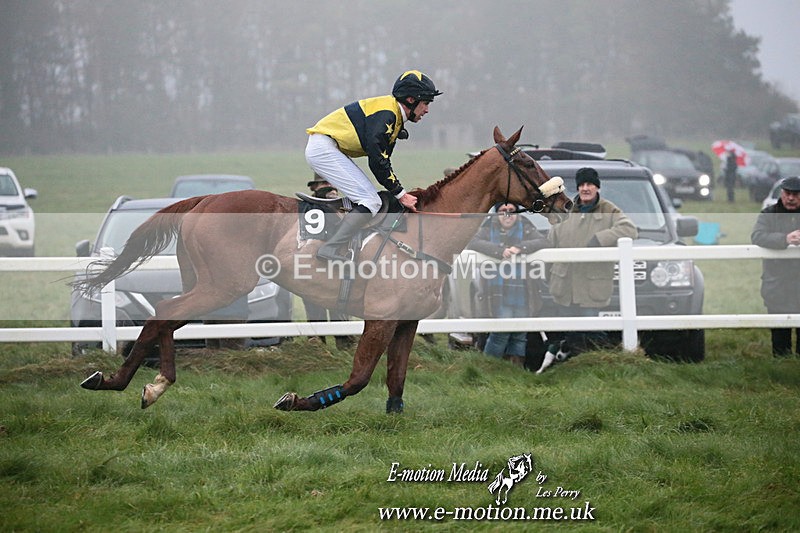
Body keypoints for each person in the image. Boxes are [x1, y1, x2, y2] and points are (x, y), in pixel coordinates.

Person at [305, 70, 441, 261]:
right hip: (323, 148)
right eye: (426, 103)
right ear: (411, 100)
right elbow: (377, 163)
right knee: (371, 201)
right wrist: (401, 195)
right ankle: (330, 248)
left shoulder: (393, 115)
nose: (427, 110)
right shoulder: (387, 115)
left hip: (327, 146)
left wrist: (397, 191)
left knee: (369, 198)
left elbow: (384, 162)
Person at [543, 167, 638, 364]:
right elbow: (551, 238)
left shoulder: (608, 209)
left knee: (592, 333)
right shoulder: (567, 209)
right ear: (577, 188)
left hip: (591, 286)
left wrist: (601, 239)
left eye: (590, 184)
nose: (586, 188)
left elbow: (629, 229)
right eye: (582, 185)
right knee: (566, 333)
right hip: (564, 286)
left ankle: (595, 367)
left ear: (597, 187)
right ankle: (567, 370)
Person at [467, 203, 547, 367]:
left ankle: (513, 372)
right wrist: (498, 250)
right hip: (497, 291)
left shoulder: (525, 226)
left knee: (519, 334)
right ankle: (488, 368)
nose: (507, 215)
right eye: (503, 211)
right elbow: (473, 242)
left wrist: (521, 248)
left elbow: (543, 241)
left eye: (512, 211)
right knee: (500, 333)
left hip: (523, 291)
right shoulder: (488, 227)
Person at [302, 174, 356, 350]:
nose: (330, 187)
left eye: (332, 183)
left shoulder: (342, 205)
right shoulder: (309, 207)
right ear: (314, 188)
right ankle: (318, 350)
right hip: (312, 267)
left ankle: (344, 349)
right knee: (315, 313)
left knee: (339, 311)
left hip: (336, 268)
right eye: (324, 184)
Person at [750, 176, 800, 357]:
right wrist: (785, 239)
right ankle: (780, 372)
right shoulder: (768, 214)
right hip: (778, 286)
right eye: (788, 194)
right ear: (782, 193)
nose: (791, 198)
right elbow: (757, 236)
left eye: (796, 194)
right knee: (780, 339)